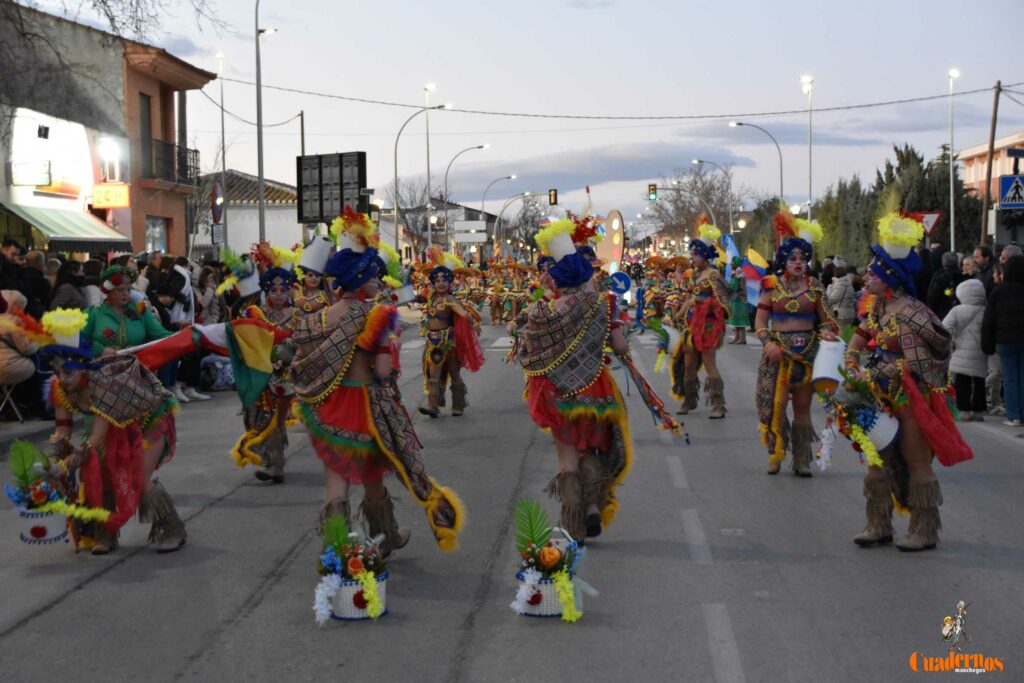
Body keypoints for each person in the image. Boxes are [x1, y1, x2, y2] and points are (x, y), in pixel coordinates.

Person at [289, 210, 464, 556]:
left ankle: (337, 548)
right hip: (367, 408)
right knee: (372, 477)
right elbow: (383, 370)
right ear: (361, 278)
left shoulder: (318, 317)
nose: (381, 282)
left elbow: (304, 357)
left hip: (329, 406)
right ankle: (386, 535)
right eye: (374, 276)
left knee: (336, 482)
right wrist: (391, 345)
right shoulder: (377, 315)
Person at [843, 213, 972, 552]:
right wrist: (851, 361)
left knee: (916, 462)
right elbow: (858, 339)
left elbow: (937, 348)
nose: (867, 275)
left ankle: (924, 530)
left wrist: (888, 371)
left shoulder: (914, 312)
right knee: (876, 462)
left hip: (909, 398)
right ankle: (878, 525)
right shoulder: (877, 310)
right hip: (877, 396)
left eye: (873, 271)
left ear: (889, 277)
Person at [24, 309, 186, 553]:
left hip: (149, 419)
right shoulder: (59, 388)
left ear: (83, 366)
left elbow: (97, 437)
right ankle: (105, 533)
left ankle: (170, 529)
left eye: (68, 371)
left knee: (139, 479)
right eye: (57, 372)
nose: (62, 378)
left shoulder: (102, 384)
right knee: (99, 475)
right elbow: (63, 432)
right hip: (115, 423)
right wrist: (49, 462)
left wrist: (64, 466)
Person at [517, 218, 634, 542]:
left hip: (557, 394)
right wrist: (623, 343)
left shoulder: (543, 312)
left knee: (567, 460)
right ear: (583, 277)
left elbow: (529, 353)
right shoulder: (603, 305)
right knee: (591, 453)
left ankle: (573, 526)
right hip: (594, 390)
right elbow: (620, 347)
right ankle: (593, 507)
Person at [754, 209, 838, 476]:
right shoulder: (770, 285)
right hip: (776, 354)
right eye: (793, 258)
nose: (798, 262)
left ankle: (802, 459)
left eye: (802, 258)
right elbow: (759, 322)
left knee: (803, 411)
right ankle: (775, 454)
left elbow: (828, 320)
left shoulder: (815, 286)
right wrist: (768, 344)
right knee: (774, 408)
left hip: (807, 354)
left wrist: (826, 332)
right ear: (783, 260)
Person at [670, 219, 730, 418]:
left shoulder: (713, 276)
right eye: (691, 254)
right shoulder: (694, 276)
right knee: (688, 365)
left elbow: (725, 302)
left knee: (709, 364)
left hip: (708, 328)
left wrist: (702, 302)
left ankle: (718, 404)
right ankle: (689, 400)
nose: (692, 258)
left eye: (695, 255)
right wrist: (677, 313)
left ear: (705, 256)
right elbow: (688, 298)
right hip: (690, 328)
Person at [417, 246, 484, 418]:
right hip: (432, 342)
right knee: (433, 374)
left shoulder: (451, 299)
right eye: (437, 280)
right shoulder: (432, 297)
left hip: (449, 342)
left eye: (444, 280)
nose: (440, 283)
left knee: (454, 373)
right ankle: (433, 405)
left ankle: (458, 404)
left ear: (449, 283)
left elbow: (463, 314)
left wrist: (474, 324)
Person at [981, 255, 1024, 426]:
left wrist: (987, 344)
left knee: (1010, 376)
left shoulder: (998, 292)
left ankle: (1014, 415)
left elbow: (989, 320)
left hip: (1005, 340)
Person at [942, 279, 988, 421]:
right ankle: (979, 410)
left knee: (962, 381)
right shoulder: (986, 310)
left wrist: (951, 341)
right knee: (980, 381)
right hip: (981, 351)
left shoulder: (957, 310)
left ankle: (964, 410)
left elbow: (945, 327)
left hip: (960, 350)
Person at [0, 290, 41, 418]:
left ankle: (9, 406)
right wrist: (38, 343)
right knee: (37, 363)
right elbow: (26, 349)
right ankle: (32, 405)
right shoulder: (15, 322)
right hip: (8, 368)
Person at [293, 236, 335, 316]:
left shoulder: (325, 295)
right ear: (303, 276)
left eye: (318, 275)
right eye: (310, 275)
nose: (314, 278)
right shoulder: (296, 291)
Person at [926, 251, 963, 321]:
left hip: (943, 313)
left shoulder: (938, 276)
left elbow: (932, 296)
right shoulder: (963, 275)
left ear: (943, 261)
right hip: (961, 313)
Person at [826, 258, 857, 330]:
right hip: (849, 313)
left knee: (841, 336)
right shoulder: (848, 283)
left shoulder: (840, 284)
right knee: (847, 335)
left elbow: (833, 299)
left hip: (842, 315)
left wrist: (830, 287)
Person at [21, 250, 51, 318]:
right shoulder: (42, 282)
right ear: (40, 263)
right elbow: (47, 304)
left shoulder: (18, 275)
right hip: (35, 318)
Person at [727, 255, 749, 344]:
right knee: (735, 320)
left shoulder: (738, 273)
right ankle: (737, 337)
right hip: (736, 299)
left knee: (740, 320)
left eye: (732, 263)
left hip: (739, 300)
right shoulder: (737, 272)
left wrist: (729, 286)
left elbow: (735, 287)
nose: (731, 265)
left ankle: (742, 338)